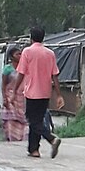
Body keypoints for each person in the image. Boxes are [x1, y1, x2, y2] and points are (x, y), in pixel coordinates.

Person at [10, 26, 64, 159]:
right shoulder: (50, 53)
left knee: (33, 121)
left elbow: (21, 73)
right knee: (38, 120)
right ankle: (34, 150)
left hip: (32, 93)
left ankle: (51, 139)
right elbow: (55, 76)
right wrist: (59, 95)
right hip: (45, 93)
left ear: (31, 38)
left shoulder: (27, 52)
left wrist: (14, 90)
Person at [0, 45, 28, 142]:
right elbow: (4, 85)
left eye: (21, 53)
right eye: (17, 54)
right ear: (11, 57)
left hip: (22, 98)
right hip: (11, 98)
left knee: (24, 122)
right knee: (11, 121)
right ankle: (12, 139)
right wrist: (5, 99)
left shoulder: (25, 68)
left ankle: (23, 139)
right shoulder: (8, 69)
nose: (20, 55)